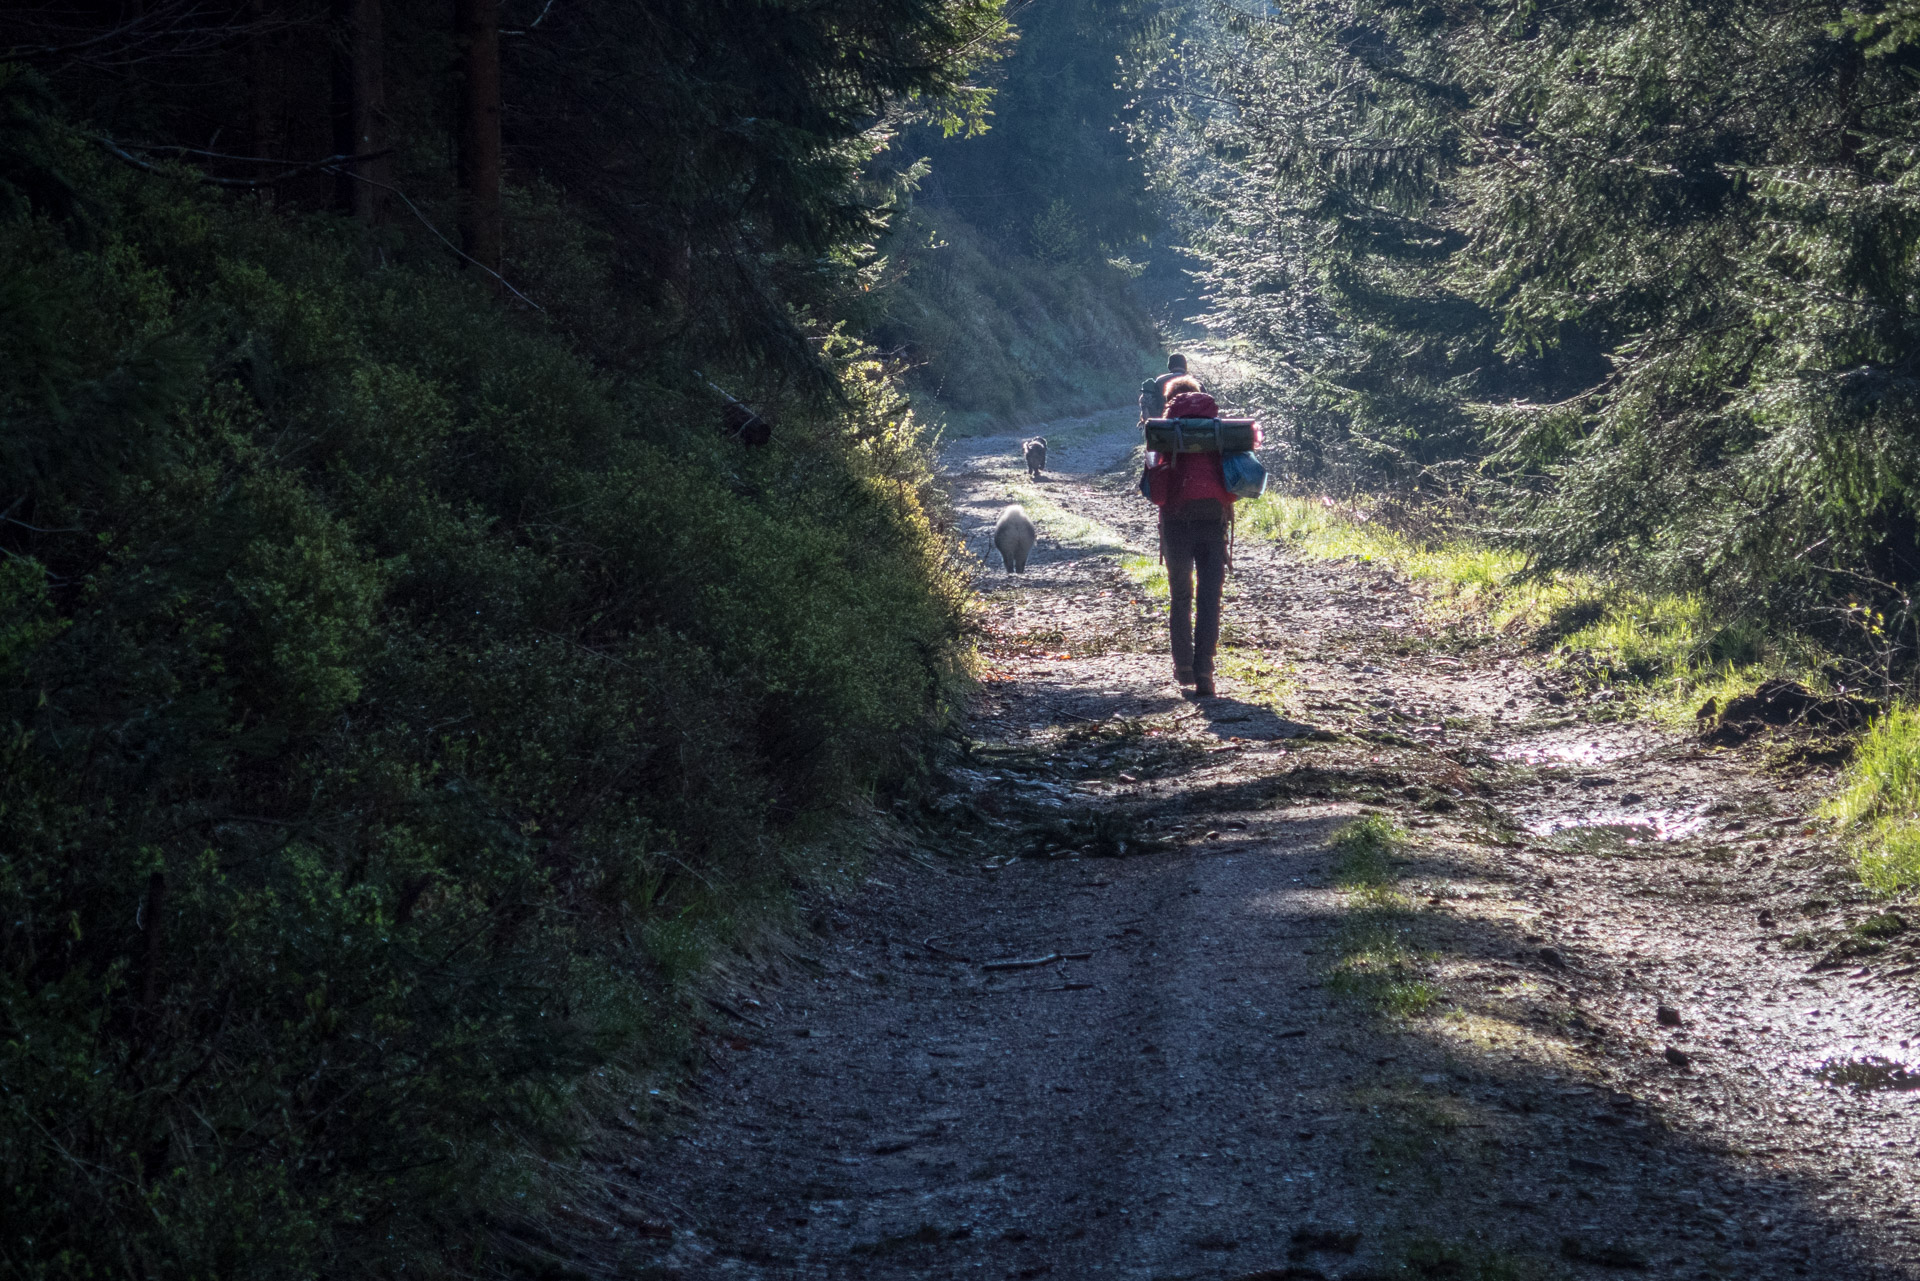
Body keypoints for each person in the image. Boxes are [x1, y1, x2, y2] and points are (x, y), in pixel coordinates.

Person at [1141, 373, 1258, 697]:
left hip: (1177, 522)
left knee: (1181, 596)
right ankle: (1205, 672)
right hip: (1213, 522)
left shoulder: (1165, 432)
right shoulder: (1218, 430)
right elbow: (1236, 484)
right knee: (1209, 597)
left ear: (1170, 401)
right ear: (1201, 396)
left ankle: (1184, 669)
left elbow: (1156, 492)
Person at [1139, 353, 1194, 423]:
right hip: (1191, 424)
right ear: (1185, 366)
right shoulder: (1196, 381)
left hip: (1164, 423)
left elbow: (1152, 403)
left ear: (1169, 366)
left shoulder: (1160, 381)